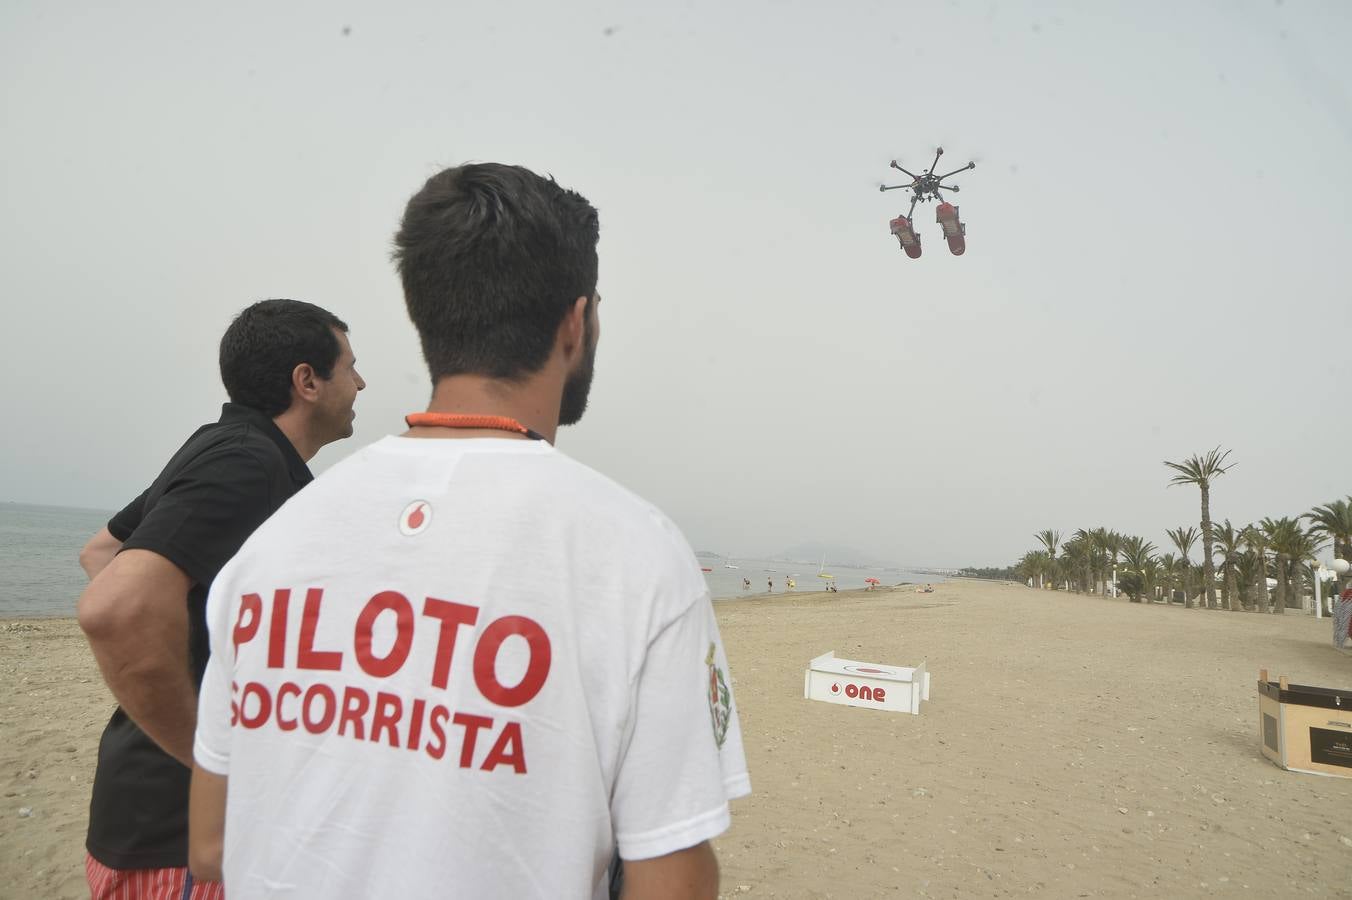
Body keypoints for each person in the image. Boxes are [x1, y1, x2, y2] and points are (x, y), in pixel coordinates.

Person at [188, 164, 750, 899]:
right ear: (575, 323)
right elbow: (670, 879)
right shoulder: (634, 556)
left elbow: (209, 845)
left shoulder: (272, 545)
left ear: (430, 316)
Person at [76, 299, 364, 899]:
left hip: (143, 814)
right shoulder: (245, 463)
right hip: (179, 837)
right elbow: (114, 608)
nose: (362, 383)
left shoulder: (226, 445)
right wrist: (212, 765)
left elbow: (102, 554)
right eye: (351, 368)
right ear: (306, 381)